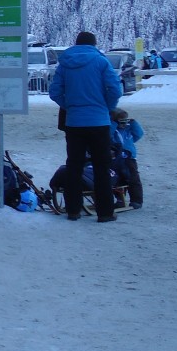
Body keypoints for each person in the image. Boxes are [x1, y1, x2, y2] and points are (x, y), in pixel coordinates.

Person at [49, 31, 122, 222]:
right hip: (99, 122)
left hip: (74, 123)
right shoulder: (101, 62)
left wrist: (70, 106)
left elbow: (54, 92)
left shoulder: (65, 63)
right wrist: (106, 107)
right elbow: (115, 89)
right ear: (94, 44)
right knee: (101, 166)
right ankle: (105, 212)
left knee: (74, 166)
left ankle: (73, 210)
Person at [110, 107, 144, 210]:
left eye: (125, 121)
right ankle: (120, 199)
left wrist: (134, 123)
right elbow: (107, 135)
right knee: (117, 179)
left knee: (133, 179)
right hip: (116, 159)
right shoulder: (113, 130)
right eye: (121, 121)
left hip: (129, 159)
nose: (123, 124)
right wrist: (114, 124)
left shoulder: (128, 129)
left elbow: (139, 134)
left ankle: (136, 200)